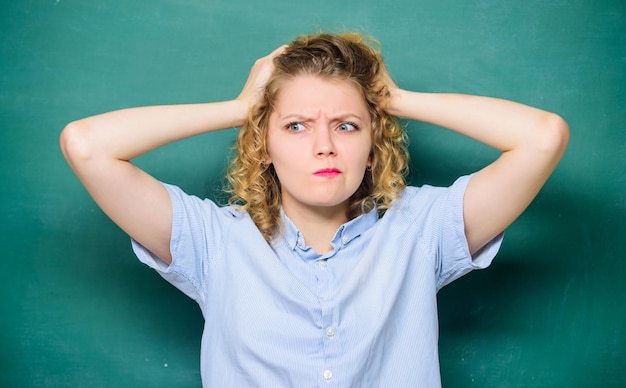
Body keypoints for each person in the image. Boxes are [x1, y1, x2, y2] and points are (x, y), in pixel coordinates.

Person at [60, 32, 569, 387]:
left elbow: (542, 138)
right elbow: (86, 144)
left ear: (373, 145)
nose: (324, 145)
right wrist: (240, 109)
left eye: (346, 126)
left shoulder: (422, 230)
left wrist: (395, 97)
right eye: (296, 126)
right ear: (264, 145)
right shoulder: (213, 240)